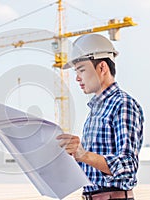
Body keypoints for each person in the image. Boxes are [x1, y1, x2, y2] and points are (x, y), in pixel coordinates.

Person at [56, 34, 144, 200]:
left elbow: (128, 166)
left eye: (81, 69)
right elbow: (93, 166)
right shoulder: (96, 111)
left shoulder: (122, 104)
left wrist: (84, 155)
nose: (77, 78)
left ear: (102, 67)